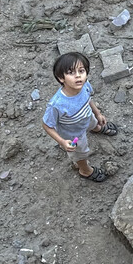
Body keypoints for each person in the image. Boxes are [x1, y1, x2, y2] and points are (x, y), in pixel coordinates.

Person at [42, 52, 119, 182]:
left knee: (93, 123)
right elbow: (47, 125)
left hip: (87, 117)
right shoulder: (57, 105)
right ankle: (85, 170)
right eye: (71, 72)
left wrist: (97, 113)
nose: (78, 75)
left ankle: (96, 128)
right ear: (61, 78)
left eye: (81, 71)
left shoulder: (84, 85)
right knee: (80, 153)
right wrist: (61, 141)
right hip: (74, 135)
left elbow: (88, 99)